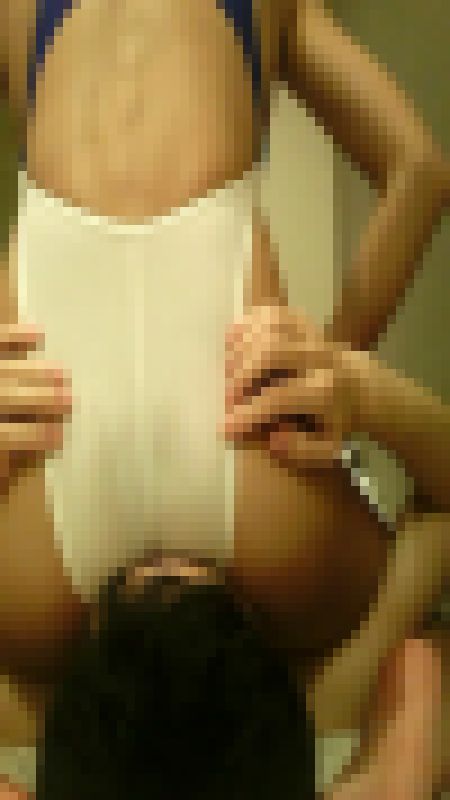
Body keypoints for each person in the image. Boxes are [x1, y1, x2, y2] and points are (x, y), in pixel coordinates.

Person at [0, 0, 449, 794]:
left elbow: (423, 173)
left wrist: (344, 378)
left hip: (249, 506)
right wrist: (342, 375)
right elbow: (420, 171)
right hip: (68, 557)